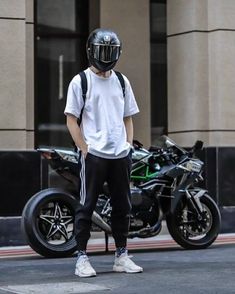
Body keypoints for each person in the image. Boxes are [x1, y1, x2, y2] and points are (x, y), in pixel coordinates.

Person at [64, 28, 143, 277]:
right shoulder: (81, 81)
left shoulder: (122, 80)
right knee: (86, 207)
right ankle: (82, 258)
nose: (106, 56)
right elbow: (71, 119)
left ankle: (121, 255)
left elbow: (127, 117)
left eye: (111, 51)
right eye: (102, 50)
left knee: (123, 207)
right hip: (94, 155)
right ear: (91, 51)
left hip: (121, 155)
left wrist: (128, 145)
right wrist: (84, 149)